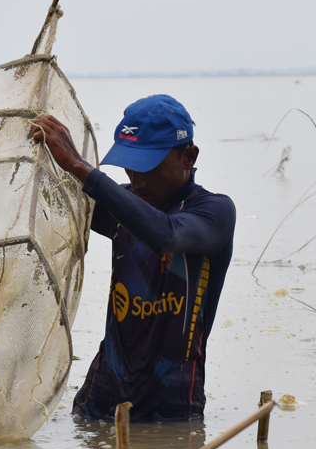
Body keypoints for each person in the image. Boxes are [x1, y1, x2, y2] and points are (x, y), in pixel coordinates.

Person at [32, 94, 235, 421]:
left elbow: (165, 234)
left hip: (171, 410)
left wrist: (80, 166)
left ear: (188, 156)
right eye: (130, 166)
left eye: (150, 166)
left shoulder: (213, 212)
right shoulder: (123, 202)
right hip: (99, 401)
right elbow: (52, 202)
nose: (138, 180)